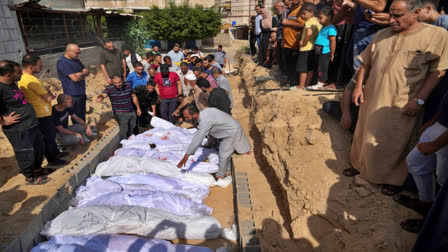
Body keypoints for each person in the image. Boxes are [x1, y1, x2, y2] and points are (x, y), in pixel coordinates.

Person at [346, 0, 448, 197]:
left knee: (395, 140)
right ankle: (360, 167)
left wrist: (419, 100)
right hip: (372, 96)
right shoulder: (381, 34)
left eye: (397, 16)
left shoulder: (437, 35)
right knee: (364, 132)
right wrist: (358, 87)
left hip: (402, 102)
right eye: (390, 15)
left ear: (416, 13)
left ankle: (393, 180)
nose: (390, 20)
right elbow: (365, 64)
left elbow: (439, 71)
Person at [396, 91, 448, 233]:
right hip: (441, 126)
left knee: (444, 183)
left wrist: (435, 145)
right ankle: (426, 204)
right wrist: (433, 122)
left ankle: (435, 228)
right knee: (416, 162)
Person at [0, 60, 50, 185]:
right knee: (26, 152)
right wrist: (3, 121)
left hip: (30, 124)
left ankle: (37, 168)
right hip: (18, 129)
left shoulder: (11, 83)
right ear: (8, 74)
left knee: (39, 148)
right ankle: (29, 176)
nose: (22, 73)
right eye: (18, 72)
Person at [177, 105, 251, 180]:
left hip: (231, 132)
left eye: (187, 117)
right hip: (230, 129)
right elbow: (211, 129)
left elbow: (198, 138)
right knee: (226, 152)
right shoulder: (205, 112)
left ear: (194, 115)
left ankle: (220, 175)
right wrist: (210, 143)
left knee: (223, 153)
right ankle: (226, 171)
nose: (186, 119)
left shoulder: (205, 121)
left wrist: (186, 156)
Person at [19, 54, 67, 166]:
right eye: (39, 65)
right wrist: (49, 91)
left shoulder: (23, 78)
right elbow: (49, 98)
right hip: (42, 113)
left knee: (49, 136)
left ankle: (55, 153)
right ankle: (52, 159)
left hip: (39, 111)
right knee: (48, 137)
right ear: (31, 67)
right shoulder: (32, 80)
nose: (41, 67)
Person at [417, 0, 448, 123]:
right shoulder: (430, 26)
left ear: (428, 8)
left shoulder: (444, 24)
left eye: (416, 12)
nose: (414, 16)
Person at [96, 75, 142, 140]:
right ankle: (124, 143)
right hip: (120, 112)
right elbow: (104, 94)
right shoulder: (109, 89)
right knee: (124, 129)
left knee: (133, 127)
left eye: (119, 82)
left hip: (131, 110)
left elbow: (134, 96)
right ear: (112, 82)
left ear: (122, 80)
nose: (118, 84)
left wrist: (138, 108)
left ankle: (130, 140)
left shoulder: (128, 86)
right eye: (115, 83)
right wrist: (100, 98)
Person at [56, 43, 89, 124]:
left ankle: (85, 129)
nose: (78, 55)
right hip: (72, 95)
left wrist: (80, 74)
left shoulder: (76, 60)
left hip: (81, 91)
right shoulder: (63, 63)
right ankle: (80, 133)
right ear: (68, 51)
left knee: (82, 113)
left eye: (79, 53)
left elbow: (86, 71)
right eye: (76, 53)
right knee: (76, 115)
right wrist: (81, 75)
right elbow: (75, 79)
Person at [329, 0, 356, 86]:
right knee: (337, 53)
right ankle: (336, 80)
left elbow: (344, 8)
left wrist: (332, 21)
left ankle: (339, 81)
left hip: (345, 23)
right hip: (339, 23)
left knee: (342, 53)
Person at [296, 3, 322, 89]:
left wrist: (303, 42)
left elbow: (309, 33)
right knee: (310, 68)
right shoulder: (318, 21)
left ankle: (301, 85)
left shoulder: (308, 22)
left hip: (306, 48)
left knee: (303, 69)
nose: (302, 16)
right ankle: (307, 85)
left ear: (311, 12)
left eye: (304, 13)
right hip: (315, 48)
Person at [311, 6, 337, 89]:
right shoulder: (323, 27)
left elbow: (333, 42)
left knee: (322, 67)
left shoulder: (331, 28)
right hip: (319, 51)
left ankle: (321, 83)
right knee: (318, 67)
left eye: (320, 18)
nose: (318, 20)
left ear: (328, 17)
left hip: (325, 51)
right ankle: (319, 82)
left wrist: (332, 54)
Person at [281, 0, 305, 86]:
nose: (290, 1)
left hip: (293, 44)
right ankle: (290, 81)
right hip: (287, 43)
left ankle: (294, 83)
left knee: (293, 66)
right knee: (288, 65)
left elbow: (303, 25)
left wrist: (287, 22)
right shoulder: (292, 11)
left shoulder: (301, 10)